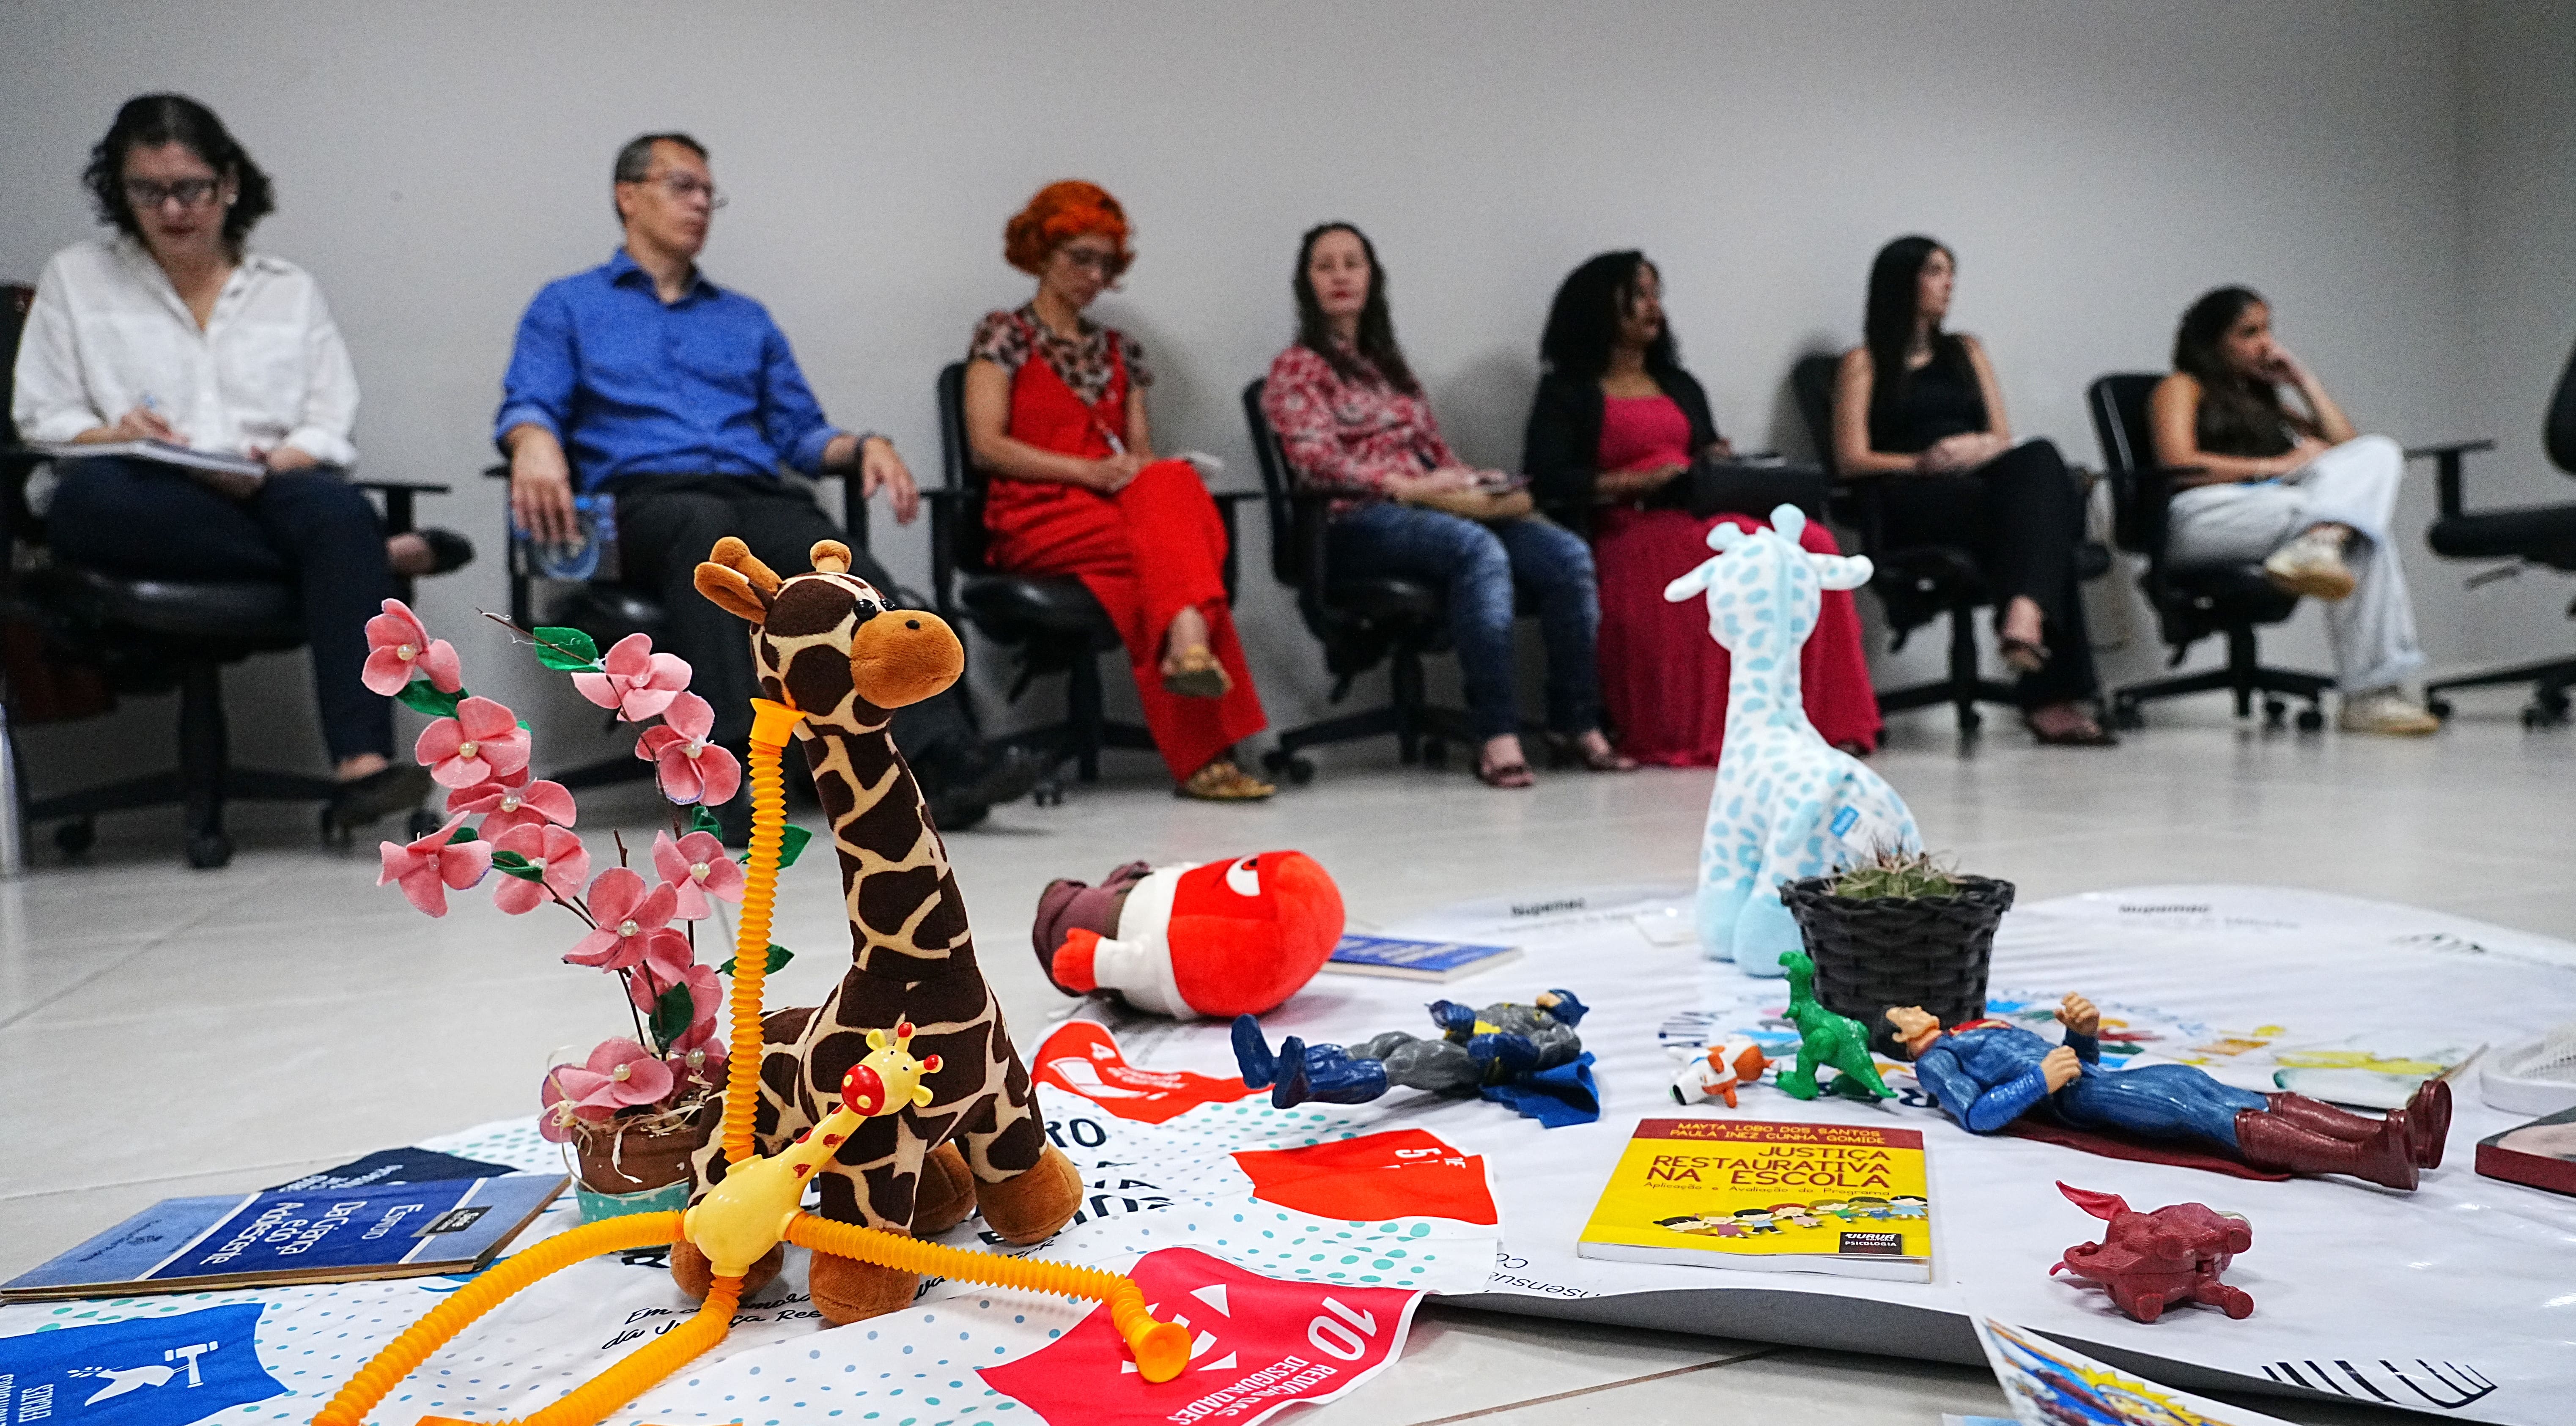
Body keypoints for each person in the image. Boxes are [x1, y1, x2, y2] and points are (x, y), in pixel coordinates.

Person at [499, 133, 1048, 837]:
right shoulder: (567, 305)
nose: (701, 203)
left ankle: (942, 757)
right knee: (706, 535)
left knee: (837, 564)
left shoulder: (743, 319)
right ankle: (726, 775)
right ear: (628, 196)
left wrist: (866, 445)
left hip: (755, 491)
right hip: (644, 502)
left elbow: (800, 434)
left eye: (707, 191)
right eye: (682, 185)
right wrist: (534, 440)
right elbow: (529, 399)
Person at [11, 93, 474, 831]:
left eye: (189, 187)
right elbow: (43, 417)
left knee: (336, 509)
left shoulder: (287, 291)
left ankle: (362, 765)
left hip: (263, 485)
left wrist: (276, 459)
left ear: (228, 183)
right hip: (139, 487)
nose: (171, 209)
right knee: (86, 503)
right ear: (121, 192)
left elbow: (329, 423)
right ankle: (361, 560)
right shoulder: (79, 277)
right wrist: (116, 431)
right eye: (148, 191)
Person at [1263, 223, 1629, 788]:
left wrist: (1471, 479)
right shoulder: (1298, 368)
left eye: (1351, 263)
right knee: (1474, 547)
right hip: (1352, 523)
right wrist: (1402, 486)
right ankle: (1496, 732)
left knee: (1564, 554)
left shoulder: (1391, 368)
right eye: (1324, 266)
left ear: (1370, 278)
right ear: (1305, 283)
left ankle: (1575, 723)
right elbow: (1317, 464)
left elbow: (1434, 453)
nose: (1339, 276)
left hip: (1432, 510)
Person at [962, 181, 1272, 801]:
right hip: (1036, 514)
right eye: (1080, 257)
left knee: (1165, 498)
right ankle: (1204, 750)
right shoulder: (1003, 335)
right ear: (1042, 253)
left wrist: (1129, 473)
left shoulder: (1121, 351)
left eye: (1106, 263)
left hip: (1110, 517)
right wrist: (1084, 473)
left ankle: (1189, 657)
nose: (1094, 275)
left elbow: (1138, 458)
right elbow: (986, 445)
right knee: (1178, 554)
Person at [1524, 251, 1882, 761]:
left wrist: (1714, 462)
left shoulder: (1678, 383)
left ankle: (1827, 720)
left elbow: (1702, 451)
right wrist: (1639, 481)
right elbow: (1550, 479)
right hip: (1629, 530)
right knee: (1738, 560)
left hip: (1698, 512)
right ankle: (1733, 729)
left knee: (1813, 543)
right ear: (1601, 308)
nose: (1653, 307)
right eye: (1639, 296)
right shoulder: (1567, 391)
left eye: (1656, 295)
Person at [1832, 236, 2112, 746]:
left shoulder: (1965, 350)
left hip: (1979, 482)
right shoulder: (1864, 363)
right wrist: (1925, 461)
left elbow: (2002, 435)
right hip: (1910, 494)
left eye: (1950, 272)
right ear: (1902, 281)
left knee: (2041, 458)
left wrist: (1978, 448)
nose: (1948, 283)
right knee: (2043, 519)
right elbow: (1851, 458)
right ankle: (2048, 692)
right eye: (1935, 271)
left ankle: (2023, 614)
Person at [2149, 288, 2439, 735]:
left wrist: (2305, 383)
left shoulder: (2265, 402)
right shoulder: (2181, 387)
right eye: (2249, 333)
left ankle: (2323, 546)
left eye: (2267, 330)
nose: (2266, 344)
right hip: (2201, 516)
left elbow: (2351, 450)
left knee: (2377, 462)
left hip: (2279, 509)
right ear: (2212, 341)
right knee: (2356, 523)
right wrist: (2277, 465)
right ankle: (2370, 691)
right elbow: (2179, 464)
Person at [1886, 995, 2447, 1192]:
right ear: (1898, 1039)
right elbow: (1979, 1116)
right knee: (2191, 1111)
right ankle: (2366, 1162)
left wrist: (2080, 1032)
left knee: (2212, 1086)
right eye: (1903, 1014)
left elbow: (2073, 1062)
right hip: (2078, 1104)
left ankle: (2397, 1135)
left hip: (2092, 1082)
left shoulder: (1976, 1028)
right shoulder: (1938, 1062)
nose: (1916, 1009)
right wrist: (2042, 1081)